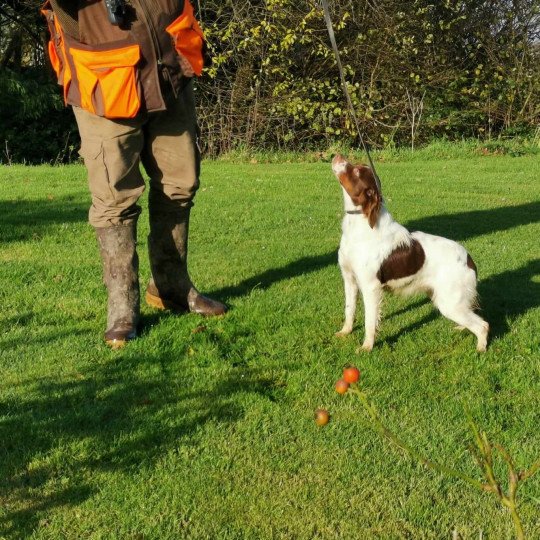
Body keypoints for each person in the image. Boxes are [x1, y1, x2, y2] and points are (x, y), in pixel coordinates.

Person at [42, 0, 227, 349]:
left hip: (170, 75)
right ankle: (122, 308)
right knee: (114, 198)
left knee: (181, 182)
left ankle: (172, 287)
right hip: (105, 84)